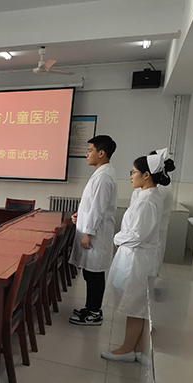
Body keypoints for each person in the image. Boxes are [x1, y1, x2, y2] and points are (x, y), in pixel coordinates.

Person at [100, 153, 175, 362]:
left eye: (133, 172)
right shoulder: (148, 195)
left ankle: (127, 350)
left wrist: (117, 238)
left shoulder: (148, 200)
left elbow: (136, 235)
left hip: (138, 260)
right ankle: (138, 349)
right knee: (137, 305)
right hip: (138, 257)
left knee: (134, 306)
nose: (131, 176)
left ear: (147, 175)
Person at [68, 135, 118, 326]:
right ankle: (90, 308)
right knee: (90, 273)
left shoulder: (104, 176)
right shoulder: (101, 173)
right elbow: (90, 205)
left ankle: (95, 312)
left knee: (94, 274)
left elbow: (98, 208)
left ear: (101, 153)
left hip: (96, 234)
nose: (87, 154)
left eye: (90, 150)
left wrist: (88, 232)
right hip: (93, 231)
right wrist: (79, 215)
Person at [130, 149, 172, 274]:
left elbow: (139, 230)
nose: (132, 176)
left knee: (143, 273)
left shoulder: (152, 195)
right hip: (143, 237)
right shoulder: (149, 191)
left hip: (147, 237)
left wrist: (119, 239)